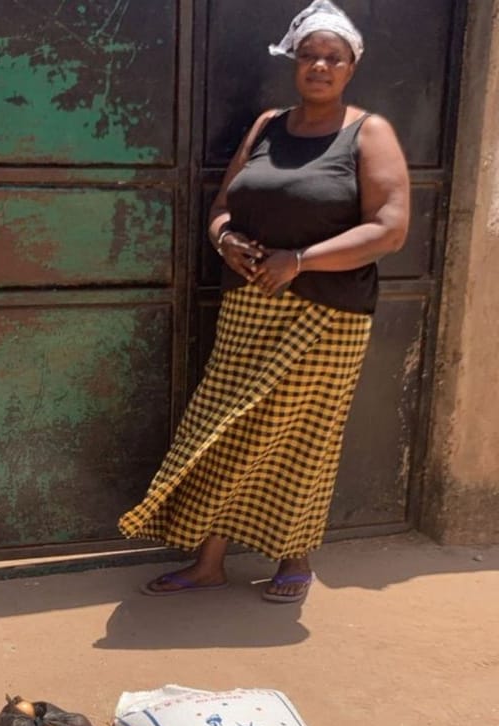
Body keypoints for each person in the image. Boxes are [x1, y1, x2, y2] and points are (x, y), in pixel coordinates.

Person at [118, 0, 410, 602]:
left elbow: (390, 229)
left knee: (304, 437)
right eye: (310, 56)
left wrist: (300, 260)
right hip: (250, 306)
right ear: (294, 62)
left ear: (351, 67)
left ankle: (294, 558)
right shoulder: (268, 125)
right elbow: (223, 205)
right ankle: (209, 561)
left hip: (328, 315)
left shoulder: (369, 132)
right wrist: (224, 239)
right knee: (225, 429)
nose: (320, 66)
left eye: (333, 58)